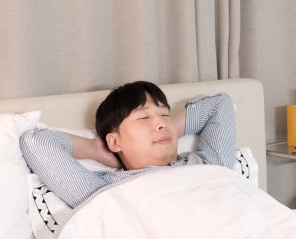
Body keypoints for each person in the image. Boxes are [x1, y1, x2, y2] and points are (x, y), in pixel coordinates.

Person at [20, 81, 236, 208]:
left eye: (165, 114)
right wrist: (96, 149)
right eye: (144, 118)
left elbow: (220, 104)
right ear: (114, 141)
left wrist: (165, 132)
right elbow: (36, 142)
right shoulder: (105, 192)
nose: (161, 122)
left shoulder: (210, 164)